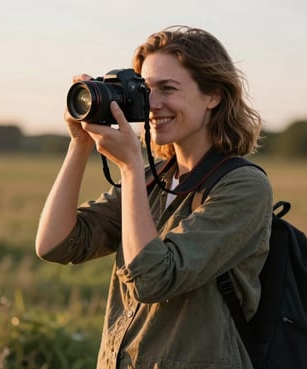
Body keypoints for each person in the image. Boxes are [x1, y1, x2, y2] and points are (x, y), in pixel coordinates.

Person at [35, 25, 273, 369]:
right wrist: (80, 143)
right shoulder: (153, 179)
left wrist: (131, 167)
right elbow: (54, 244)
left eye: (168, 89)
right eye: (146, 91)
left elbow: (153, 279)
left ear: (213, 96)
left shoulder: (243, 187)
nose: (153, 104)